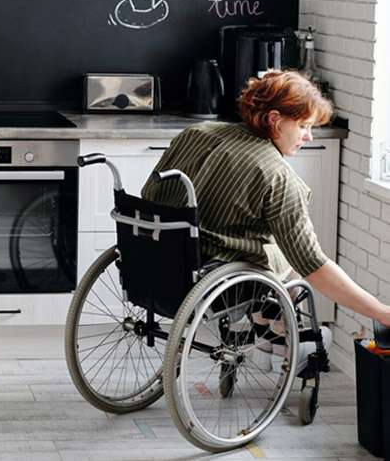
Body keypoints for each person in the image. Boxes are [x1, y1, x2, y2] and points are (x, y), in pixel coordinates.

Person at [141, 70, 390, 371]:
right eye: (303, 126)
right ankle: (284, 335)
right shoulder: (279, 178)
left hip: (154, 262)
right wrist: (379, 311)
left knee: (269, 246)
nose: (308, 137)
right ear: (275, 120)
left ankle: (269, 327)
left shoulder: (197, 133)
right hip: (211, 279)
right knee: (289, 261)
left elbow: (150, 193)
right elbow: (315, 266)